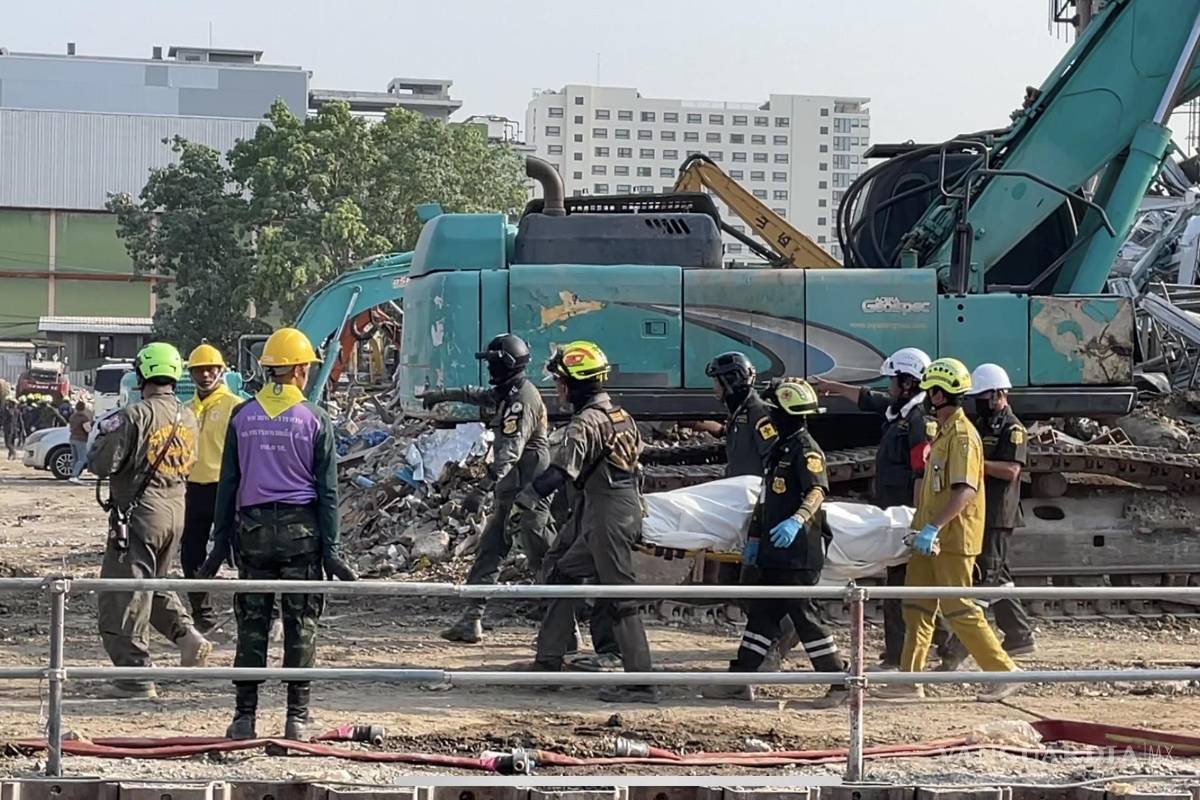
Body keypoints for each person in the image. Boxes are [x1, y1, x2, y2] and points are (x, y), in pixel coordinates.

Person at [198, 327, 357, 740]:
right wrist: (333, 550)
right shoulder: (314, 419)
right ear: (302, 369)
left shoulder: (243, 416)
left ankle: (243, 717)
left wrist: (218, 544)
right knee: (300, 623)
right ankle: (296, 719)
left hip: (251, 536)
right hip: (301, 536)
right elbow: (327, 493)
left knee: (253, 625)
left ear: (269, 369)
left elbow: (227, 484)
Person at [514, 340, 658, 704]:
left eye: (561, 381)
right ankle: (547, 664)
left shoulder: (586, 424)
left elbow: (560, 473)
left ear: (576, 385)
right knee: (562, 573)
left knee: (621, 598)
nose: (558, 388)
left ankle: (641, 683)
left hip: (608, 515)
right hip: (605, 509)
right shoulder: (621, 416)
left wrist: (524, 498)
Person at [876, 357, 1020, 701]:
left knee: (959, 608)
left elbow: (965, 489)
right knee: (917, 607)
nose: (925, 395)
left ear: (940, 394)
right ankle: (910, 681)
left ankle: (1004, 672)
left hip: (951, 538)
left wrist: (933, 528)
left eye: (930, 390)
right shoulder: (942, 433)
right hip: (931, 536)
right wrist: (920, 527)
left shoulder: (962, 436)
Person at [702, 378, 848, 707]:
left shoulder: (806, 449)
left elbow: (816, 491)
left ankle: (839, 679)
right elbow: (766, 499)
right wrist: (755, 537)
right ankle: (741, 679)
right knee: (762, 615)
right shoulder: (780, 448)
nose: (768, 415)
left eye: (774, 410)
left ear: (788, 414)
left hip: (799, 553)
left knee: (803, 615)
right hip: (774, 551)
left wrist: (797, 520)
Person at [812, 347, 954, 670]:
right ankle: (927, 649)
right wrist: (831, 386)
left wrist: (917, 522)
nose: (887, 385)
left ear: (907, 383)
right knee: (901, 585)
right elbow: (867, 398)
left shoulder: (919, 423)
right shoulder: (900, 412)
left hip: (904, 517)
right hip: (891, 513)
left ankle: (922, 651)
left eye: (892, 379)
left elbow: (921, 473)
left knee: (902, 588)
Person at [89, 342, 211, 700]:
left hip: (139, 514)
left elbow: (101, 464)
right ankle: (188, 637)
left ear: (141, 374)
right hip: (176, 510)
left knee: (121, 595)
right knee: (152, 582)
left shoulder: (133, 415)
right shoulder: (187, 415)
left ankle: (134, 678)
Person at [420, 333, 555, 644]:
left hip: (529, 493)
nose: (490, 369)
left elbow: (509, 451)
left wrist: (480, 490)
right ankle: (471, 619)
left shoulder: (522, 400)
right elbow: (480, 396)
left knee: (542, 553)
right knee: (490, 551)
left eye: (493, 363)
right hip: (511, 490)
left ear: (506, 365)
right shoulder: (509, 391)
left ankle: (564, 623)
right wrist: (443, 394)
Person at [939, 363, 1035, 667]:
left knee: (984, 581)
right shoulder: (980, 422)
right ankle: (1020, 635)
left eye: (984, 397)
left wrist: (975, 466)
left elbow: (1011, 471)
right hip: (978, 512)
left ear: (999, 395)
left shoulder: (1013, 429)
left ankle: (957, 650)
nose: (979, 402)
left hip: (997, 515)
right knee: (1000, 578)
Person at [179, 342, 241, 634]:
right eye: (199, 370)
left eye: (210, 369)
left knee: (240, 551)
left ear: (221, 371)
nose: (205, 375)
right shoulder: (186, 410)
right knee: (191, 552)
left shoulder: (235, 407)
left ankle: (255, 609)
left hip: (226, 488)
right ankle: (202, 614)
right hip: (192, 489)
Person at [705, 352, 779, 478]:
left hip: (753, 492)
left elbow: (772, 456)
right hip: (739, 490)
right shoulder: (738, 412)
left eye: (717, 381)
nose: (714, 388)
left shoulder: (759, 413)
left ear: (731, 380)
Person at [67, 400, 93, 483]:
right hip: (81, 439)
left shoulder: (72, 417)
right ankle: (75, 476)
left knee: (75, 459)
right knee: (82, 459)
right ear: (84, 408)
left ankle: (73, 475)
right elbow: (87, 429)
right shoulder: (84, 418)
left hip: (72, 438)